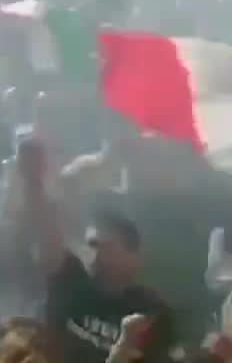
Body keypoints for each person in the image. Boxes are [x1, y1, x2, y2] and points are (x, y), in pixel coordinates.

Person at [23, 136, 177, 362]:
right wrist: (33, 183)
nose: (96, 255)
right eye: (92, 245)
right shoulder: (72, 279)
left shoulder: (151, 313)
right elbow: (46, 237)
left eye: (106, 247)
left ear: (133, 256)